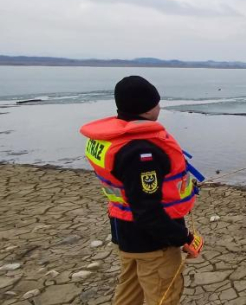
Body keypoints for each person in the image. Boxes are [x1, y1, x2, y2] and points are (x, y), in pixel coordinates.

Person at [80, 76, 204, 305]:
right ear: (146, 109)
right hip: (152, 243)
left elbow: (135, 192)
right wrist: (184, 237)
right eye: (156, 102)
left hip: (126, 232)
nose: (159, 107)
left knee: (129, 293)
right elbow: (148, 211)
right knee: (164, 296)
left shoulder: (113, 140)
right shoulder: (141, 153)